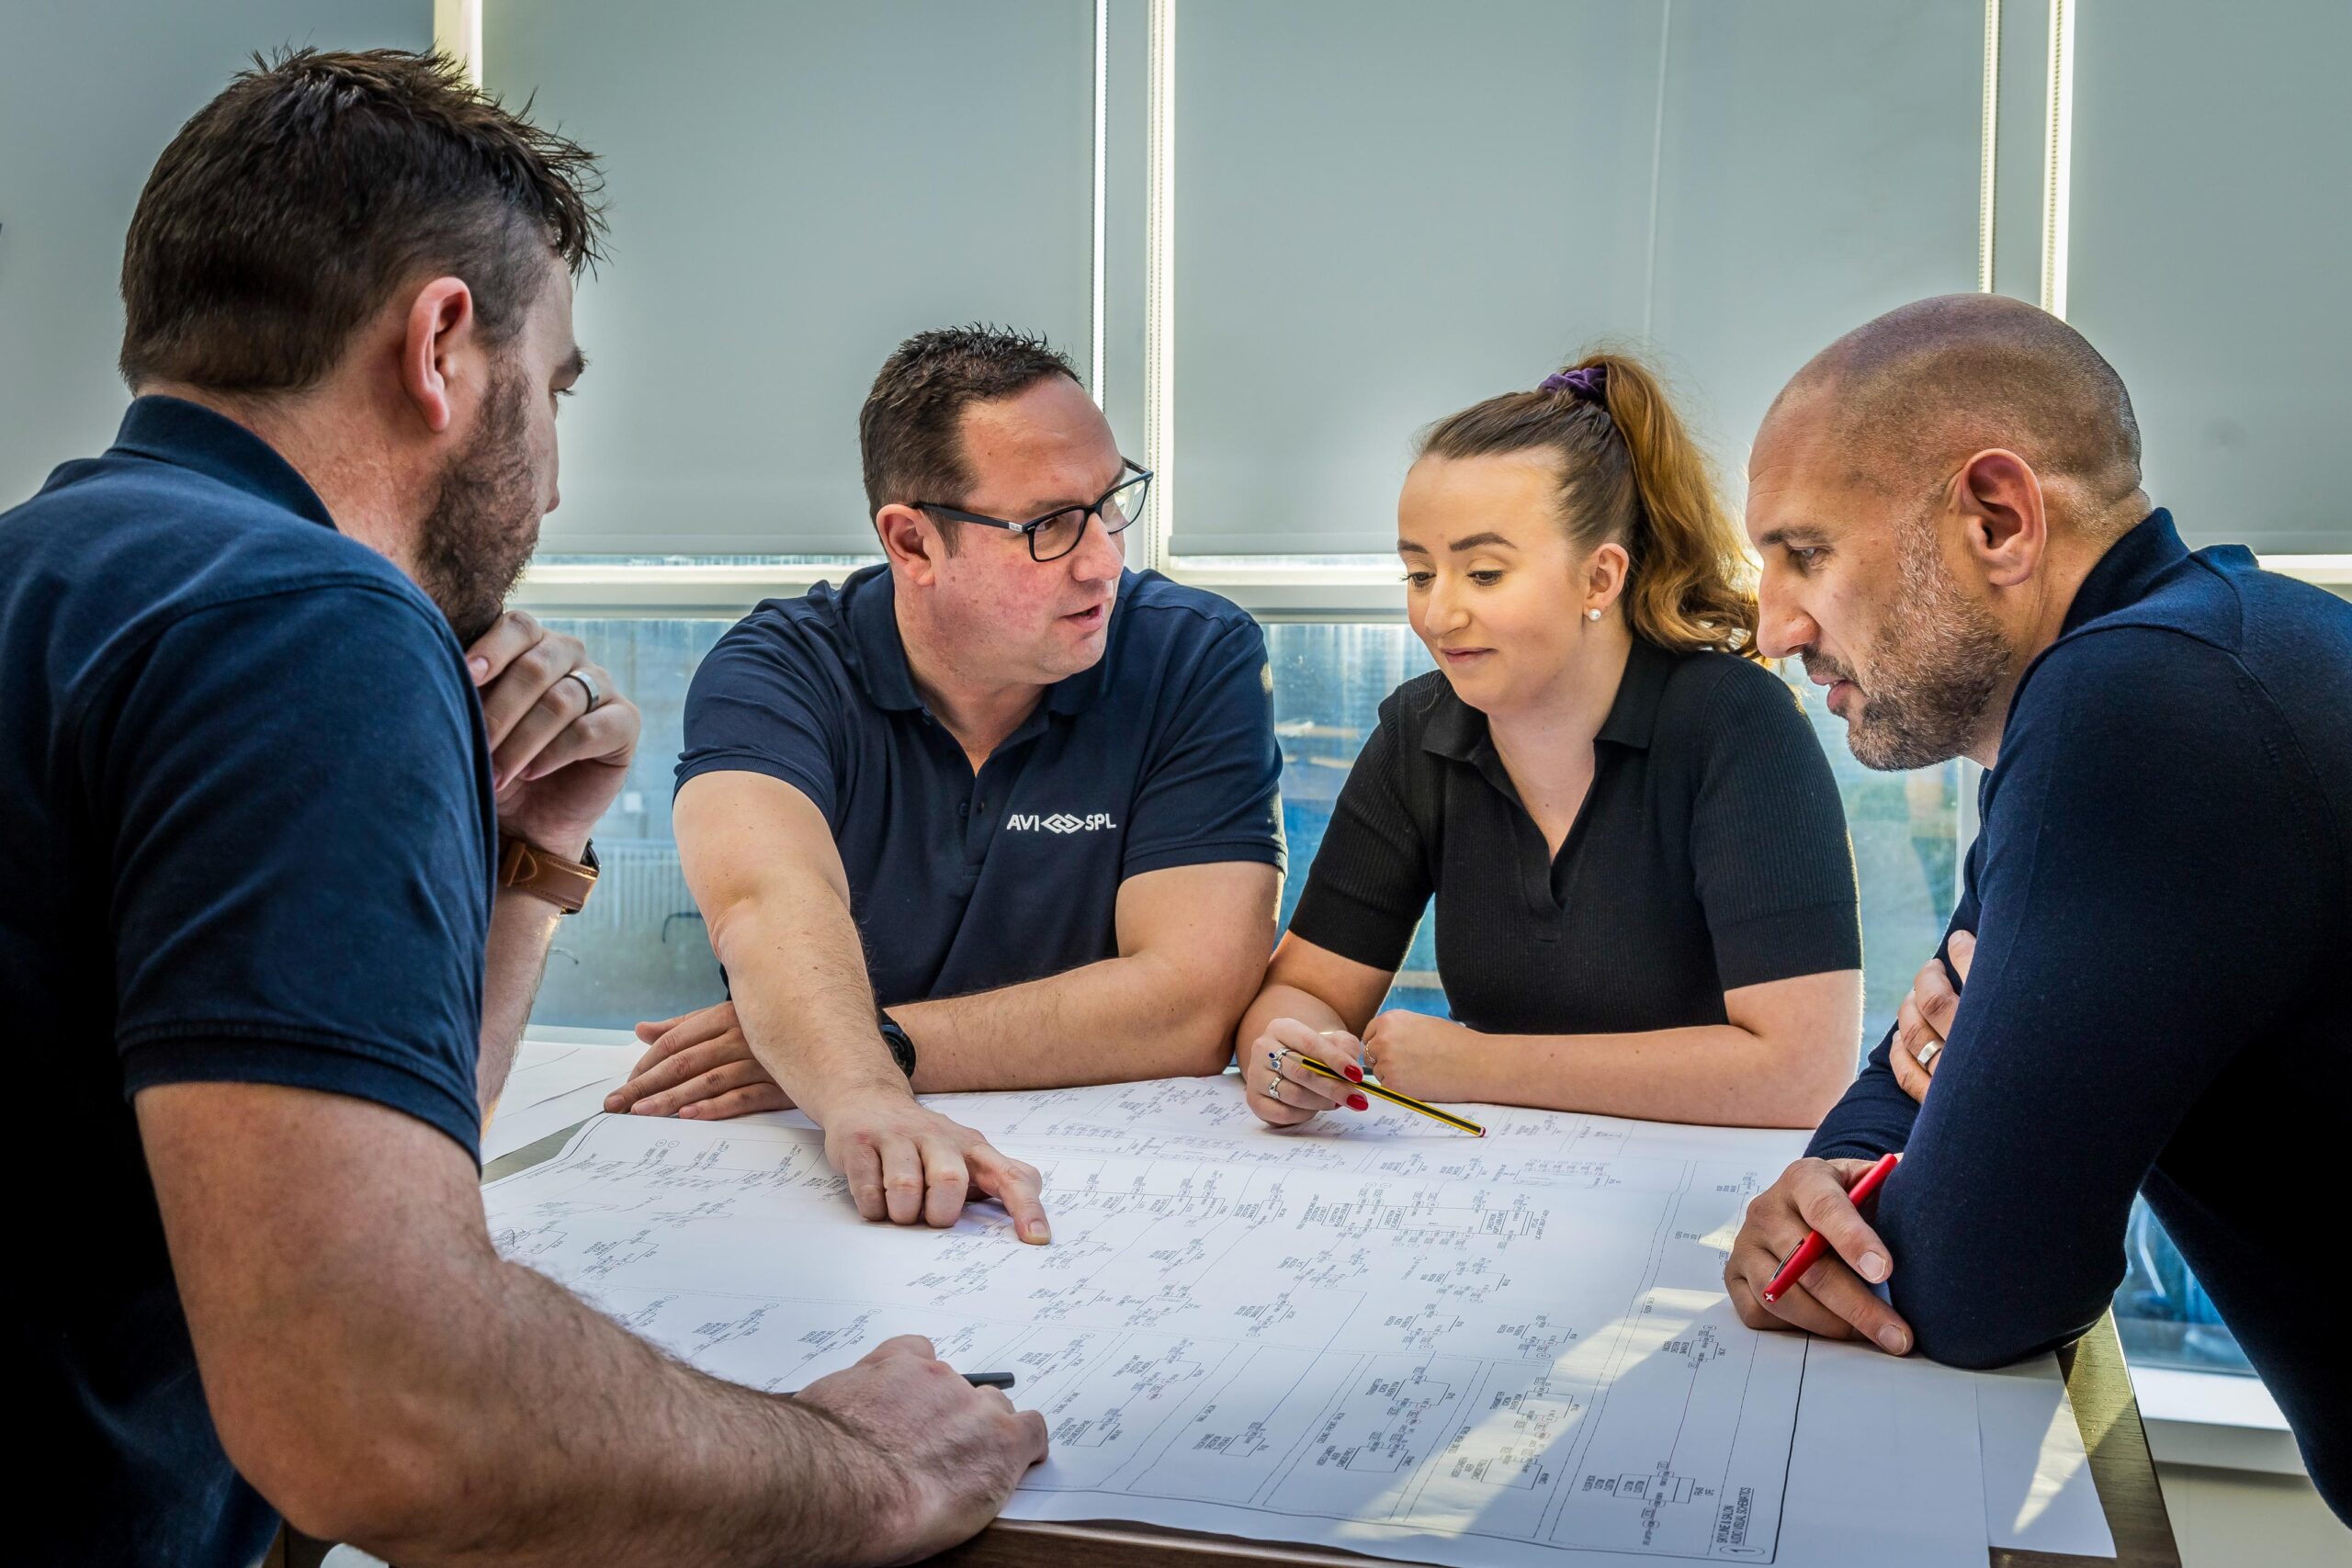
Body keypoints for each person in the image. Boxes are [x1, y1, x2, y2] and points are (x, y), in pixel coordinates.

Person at [3, 51, 1041, 1565]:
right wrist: (869, 1470)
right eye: (552, 387)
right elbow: (381, 1402)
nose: (551, 483)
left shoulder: (56, 574)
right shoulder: (308, 621)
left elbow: (359, 1170)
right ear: (440, 346)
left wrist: (531, 857)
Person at [1724, 293, 2351, 1519]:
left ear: (1997, 519)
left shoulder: (2141, 702)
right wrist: (1848, 1171)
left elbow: (1980, 1281)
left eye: (1806, 553)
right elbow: (1908, 1062)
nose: (1774, 627)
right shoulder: (2195, 657)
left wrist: (1893, 1179)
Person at [603, 326, 1285, 1235]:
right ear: (912, 542)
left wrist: (859, 1056)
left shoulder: (1192, 655)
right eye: (1049, 525)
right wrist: (856, 1090)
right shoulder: (779, 671)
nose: (1104, 559)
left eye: (1111, 501)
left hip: (1125, 1188)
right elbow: (767, 900)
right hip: (825, 1183)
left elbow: (1191, 1006)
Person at [1236, 357, 1861, 1130]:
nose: (1439, 614)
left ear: (1599, 579)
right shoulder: (1417, 734)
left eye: (1484, 573)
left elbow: (1804, 1072)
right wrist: (1289, 1054)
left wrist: (1479, 1065)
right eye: (1420, 574)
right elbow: (1303, 992)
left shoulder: (1737, 723)